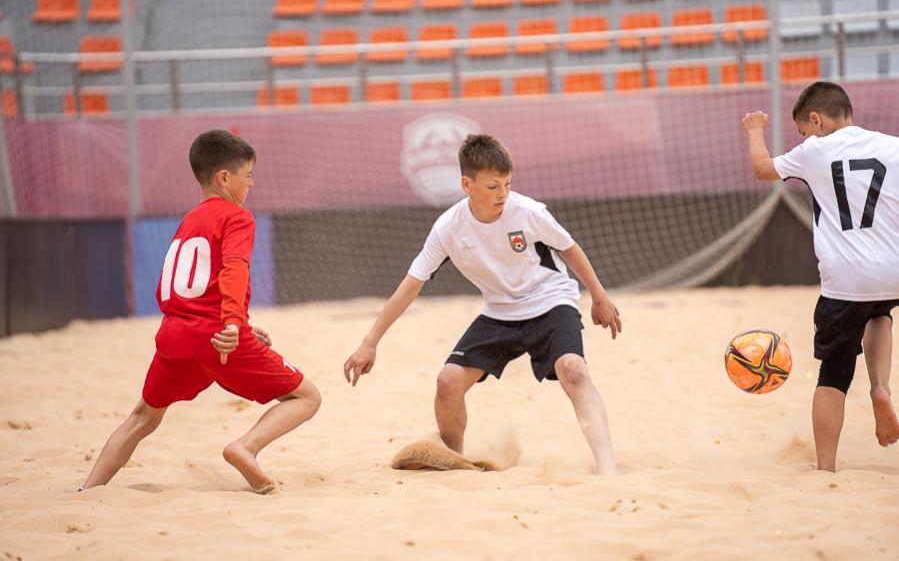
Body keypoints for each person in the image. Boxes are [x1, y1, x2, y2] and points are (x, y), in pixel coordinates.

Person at [344, 133, 621, 475]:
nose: (503, 193)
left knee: (573, 369)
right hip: (500, 312)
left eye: (507, 184)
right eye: (492, 186)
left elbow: (569, 248)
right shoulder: (448, 228)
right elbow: (409, 288)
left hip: (551, 302)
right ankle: (454, 461)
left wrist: (599, 296)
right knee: (447, 381)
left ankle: (608, 467)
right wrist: (369, 343)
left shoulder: (528, 212)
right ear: (467, 184)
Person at [80, 129, 320, 493]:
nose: (251, 184)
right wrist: (235, 324)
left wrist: (239, 324)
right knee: (307, 397)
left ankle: (87, 490)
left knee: (142, 418)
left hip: (175, 338)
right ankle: (245, 447)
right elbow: (235, 268)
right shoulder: (237, 216)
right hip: (219, 336)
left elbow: (178, 287)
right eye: (248, 175)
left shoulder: (189, 220)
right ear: (224, 178)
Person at [741, 81, 899, 471]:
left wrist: (755, 130)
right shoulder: (892, 147)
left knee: (833, 374)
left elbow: (762, 169)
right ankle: (880, 387)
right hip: (893, 269)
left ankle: (825, 468)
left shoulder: (815, 150)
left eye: (803, 131)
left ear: (816, 119)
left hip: (845, 278)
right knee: (880, 314)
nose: (804, 138)